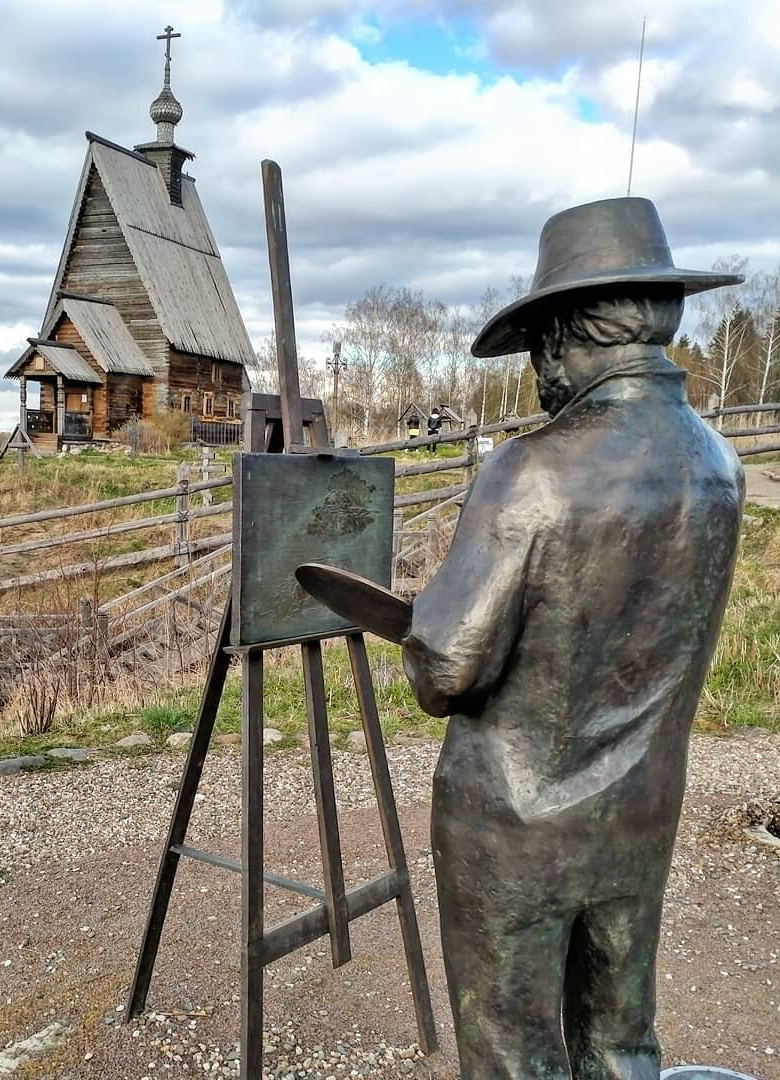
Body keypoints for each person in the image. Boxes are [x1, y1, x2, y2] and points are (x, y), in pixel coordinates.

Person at [298, 198, 744, 1079]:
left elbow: (452, 673)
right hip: (642, 813)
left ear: (577, 333)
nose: (540, 364)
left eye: (545, 338)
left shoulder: (531, 469)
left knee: (512, 1050)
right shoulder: (717, 466)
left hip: (514, 826)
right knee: (621, 1043)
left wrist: (423, 629)